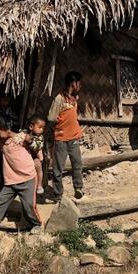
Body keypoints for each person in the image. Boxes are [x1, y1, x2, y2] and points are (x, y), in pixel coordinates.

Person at [0, 116, 42, 239]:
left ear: (5, 129)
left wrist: (28, 139)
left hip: (27, 178)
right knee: (0, 203)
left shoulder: (20, 137)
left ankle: (36, 224)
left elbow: (36, 144)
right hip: (11, 180)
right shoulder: (1, 142)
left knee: (29, 205)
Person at [47, 71, 85, 203]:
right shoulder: (59, 99)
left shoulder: (75, 98)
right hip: (61, 139)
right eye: (78, 83)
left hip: (74, 138)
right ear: (72, 83)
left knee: (77, 164)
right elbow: (51, 117)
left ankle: (78, 188)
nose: (80, 85)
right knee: (58, 168)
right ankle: (58, 195)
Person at [22, 115, 46, 196]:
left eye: (43, 128)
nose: (42, 130)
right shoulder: (24, 133)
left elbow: (37, 147)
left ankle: (39, 185)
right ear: (31, 127)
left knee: (38, 166)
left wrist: (29, 142)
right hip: (24, 156)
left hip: (34, 156)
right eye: (40, 127)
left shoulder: (40, 137)